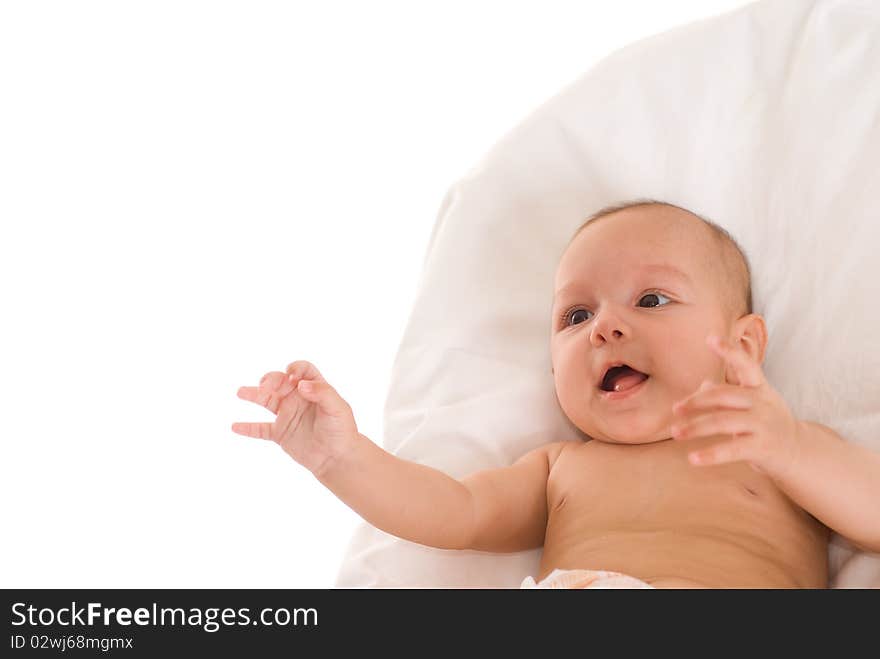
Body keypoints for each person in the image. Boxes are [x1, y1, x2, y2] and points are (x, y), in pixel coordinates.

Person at [232, 200, 880, 588]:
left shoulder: (781, 446)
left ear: (745, 343)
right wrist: (341, 458)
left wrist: (788, 446)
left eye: (651, 299)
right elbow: (452, 512)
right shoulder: (563, 466)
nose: (605, 326)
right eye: (575, 317)